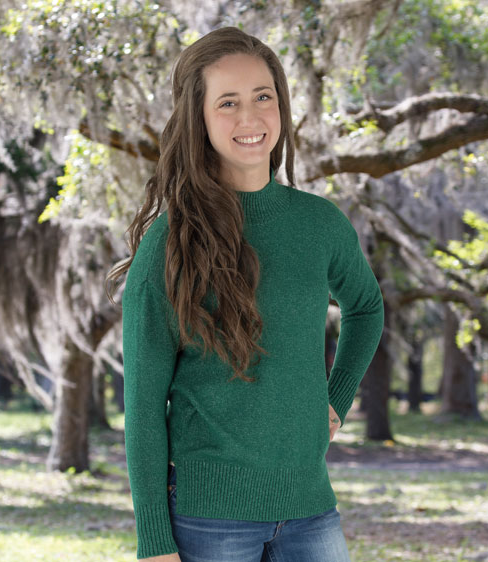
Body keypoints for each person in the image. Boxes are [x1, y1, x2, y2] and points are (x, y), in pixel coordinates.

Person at [105, 26, 384, 562]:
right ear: (199, 118)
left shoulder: (319, 224)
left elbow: (366, 308)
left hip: (310, 507)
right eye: (227, 103)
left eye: (263, 97)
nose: (250, 118)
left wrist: (337, 398)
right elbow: (142, 405)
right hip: (208, 520)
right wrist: (154, 543)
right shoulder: (169, 243)